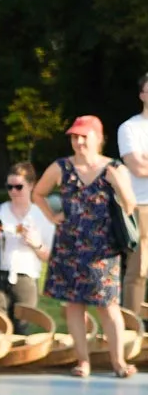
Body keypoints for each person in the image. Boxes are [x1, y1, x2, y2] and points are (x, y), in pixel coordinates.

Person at [34, 115, 138, 377]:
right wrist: (52, 216)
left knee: (108, 306)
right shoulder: (62, 167)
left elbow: (130, 206)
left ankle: (118, 362)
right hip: (69, 245)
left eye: (84, 136)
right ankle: (83, 361)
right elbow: (38, 193)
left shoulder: (114, 168)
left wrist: (117, 184)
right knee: (73, 305)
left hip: (103, 248)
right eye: (74, 136)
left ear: (98, 138)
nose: (79, 141)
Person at [0, 164, 53, 332]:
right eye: (9, 187)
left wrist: (37, 244)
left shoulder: (41, 215)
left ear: (31, 185)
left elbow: (51, 256)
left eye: (19, 187)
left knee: (21, 330)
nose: (13, 191)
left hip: (25, 277)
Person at [116, 73, 148, 314]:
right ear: (141, 95)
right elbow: (137, 167)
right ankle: (131, 328)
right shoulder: (129, 128)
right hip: (141, 206)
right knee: (138, 271)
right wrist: (142, 163)